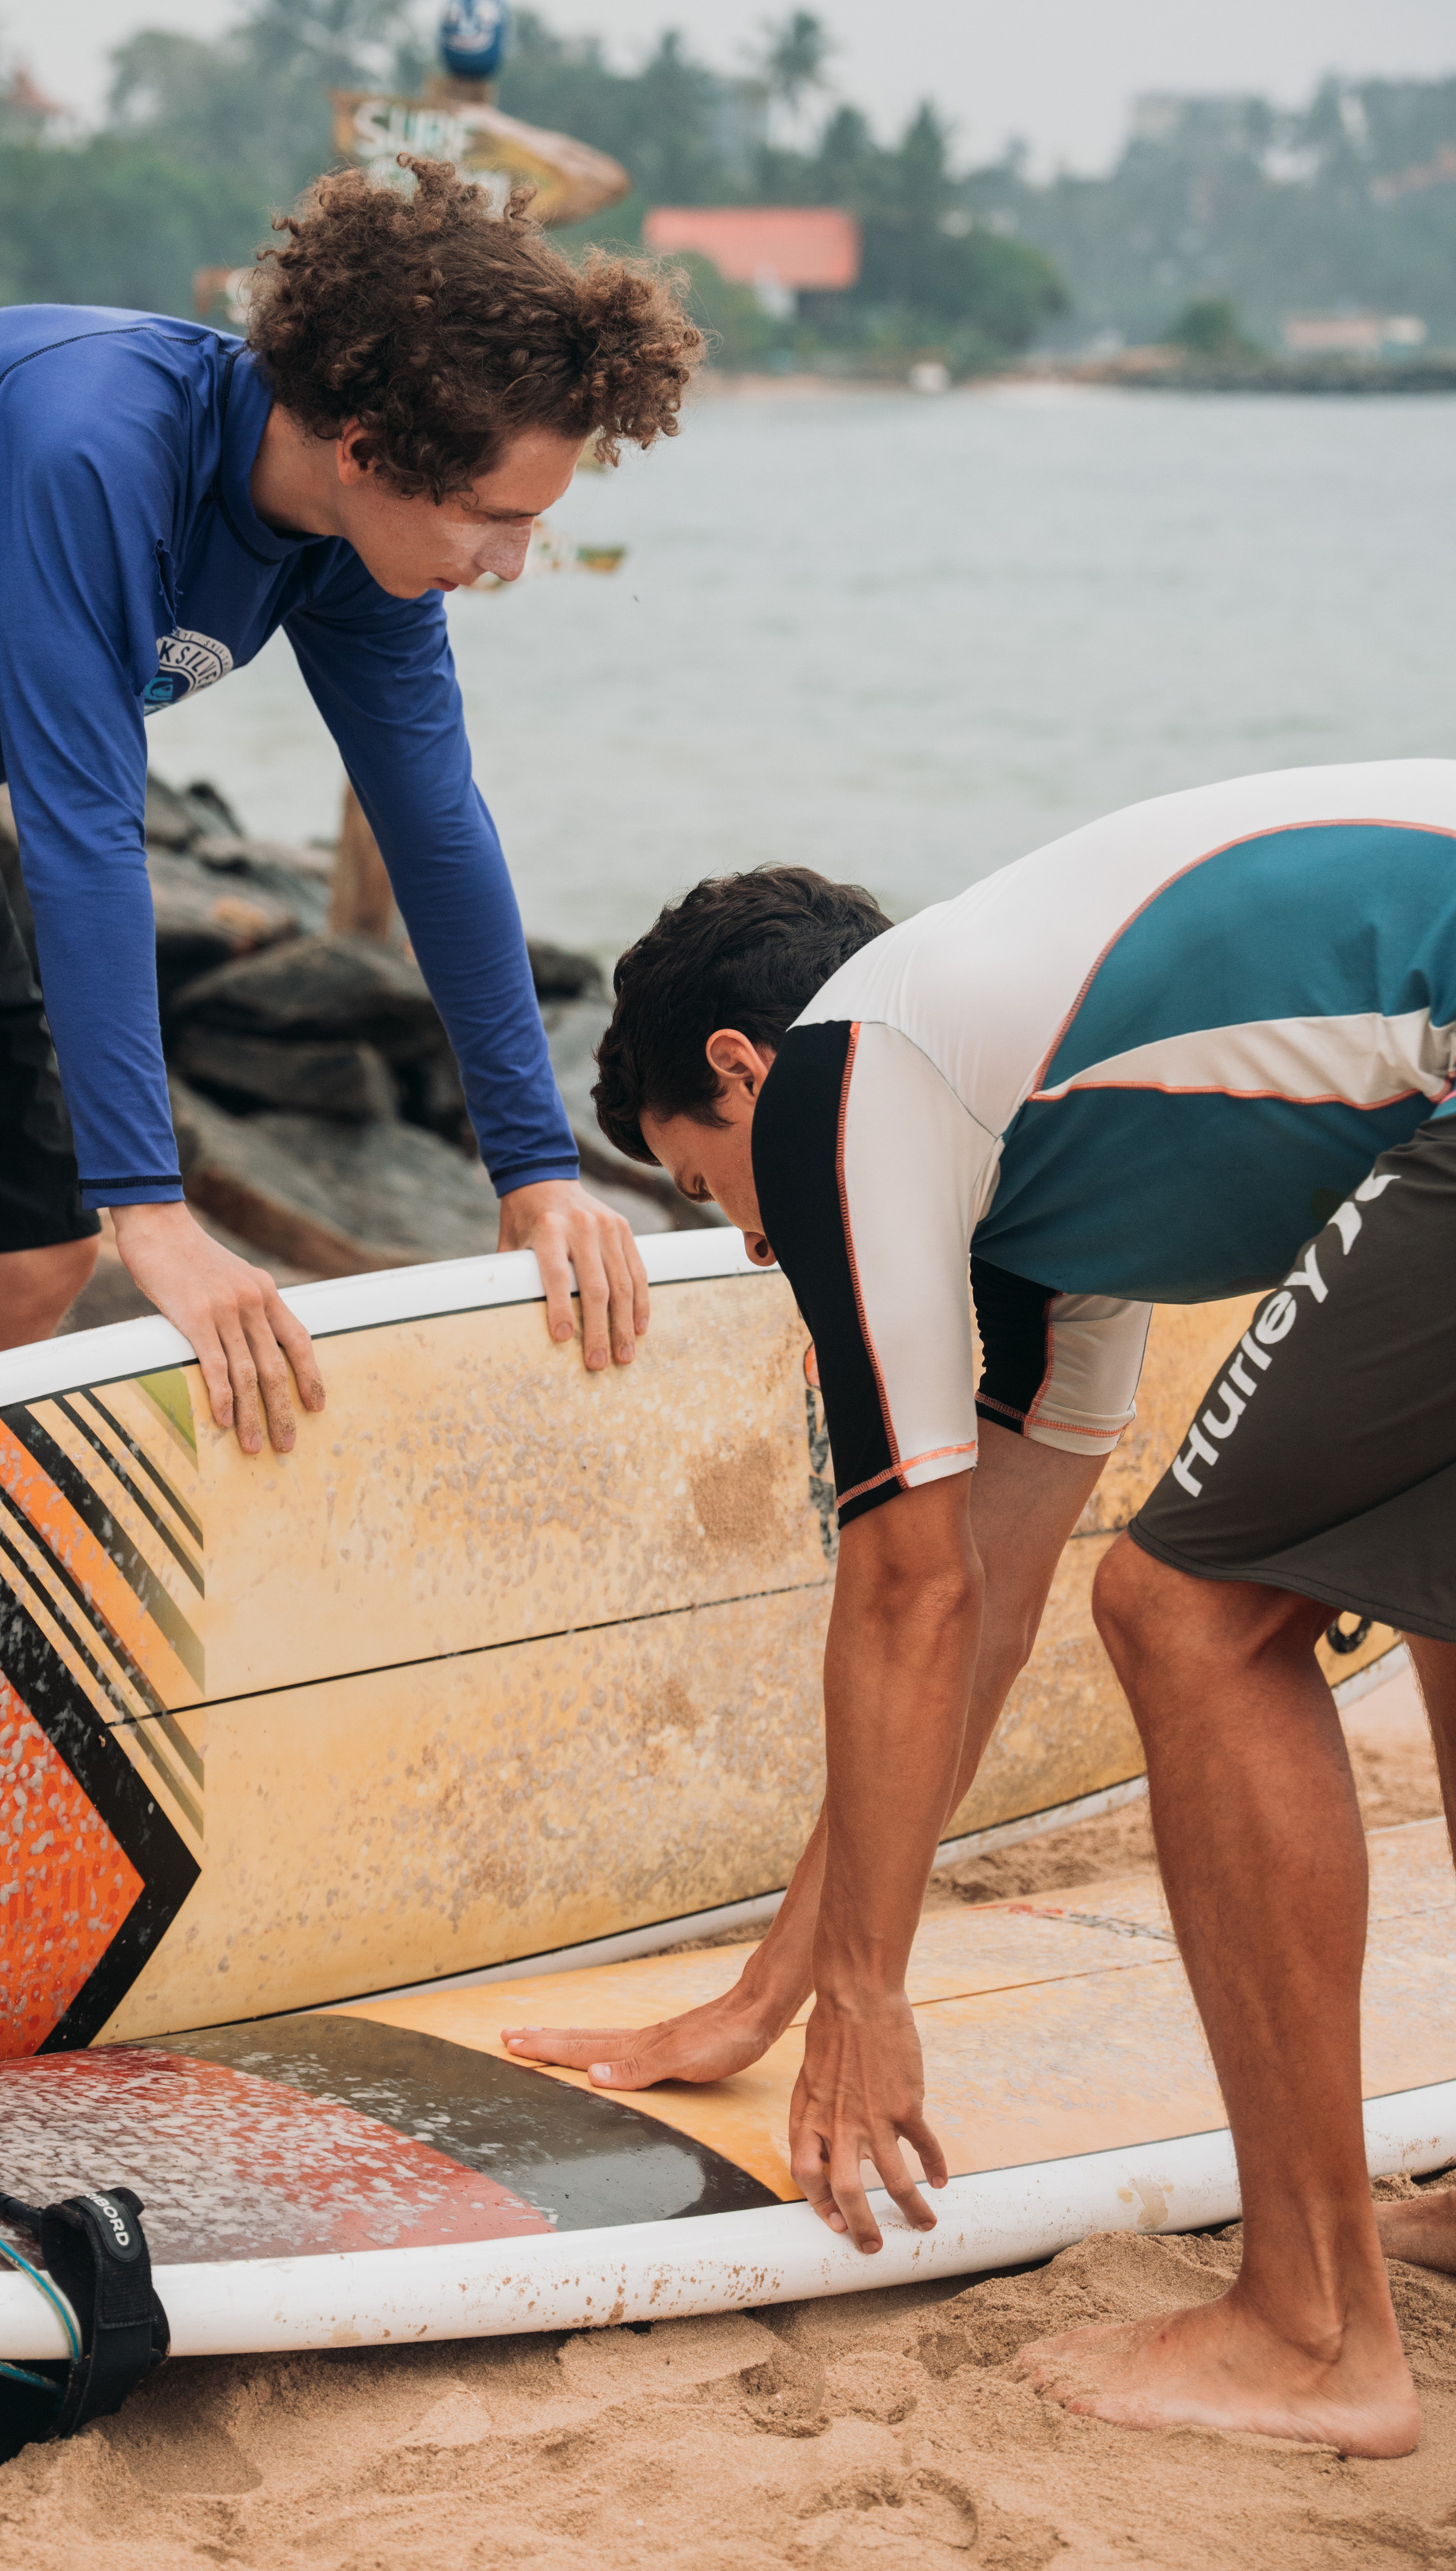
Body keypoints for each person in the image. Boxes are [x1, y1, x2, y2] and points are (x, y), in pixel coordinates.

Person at [505, 758, 1456, 2458]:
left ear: (742, 1073)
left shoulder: (847, 1077)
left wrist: (874, 2003)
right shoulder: (1043, 1169)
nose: (740, 1237)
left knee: (1184, 1615)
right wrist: (777, 1990)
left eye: (701, 1178)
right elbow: (972, 1614)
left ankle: (1310, 2332)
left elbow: (900, 1595)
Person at [0, 162, 700, 1436]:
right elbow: (81, 826)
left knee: (28, 1258)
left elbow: (436, 822)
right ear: (366, 450)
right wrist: (153, 1209)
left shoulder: (355, 549)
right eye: (499, 521)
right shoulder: (93, 447)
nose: (510, 564)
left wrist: (536, 1169)